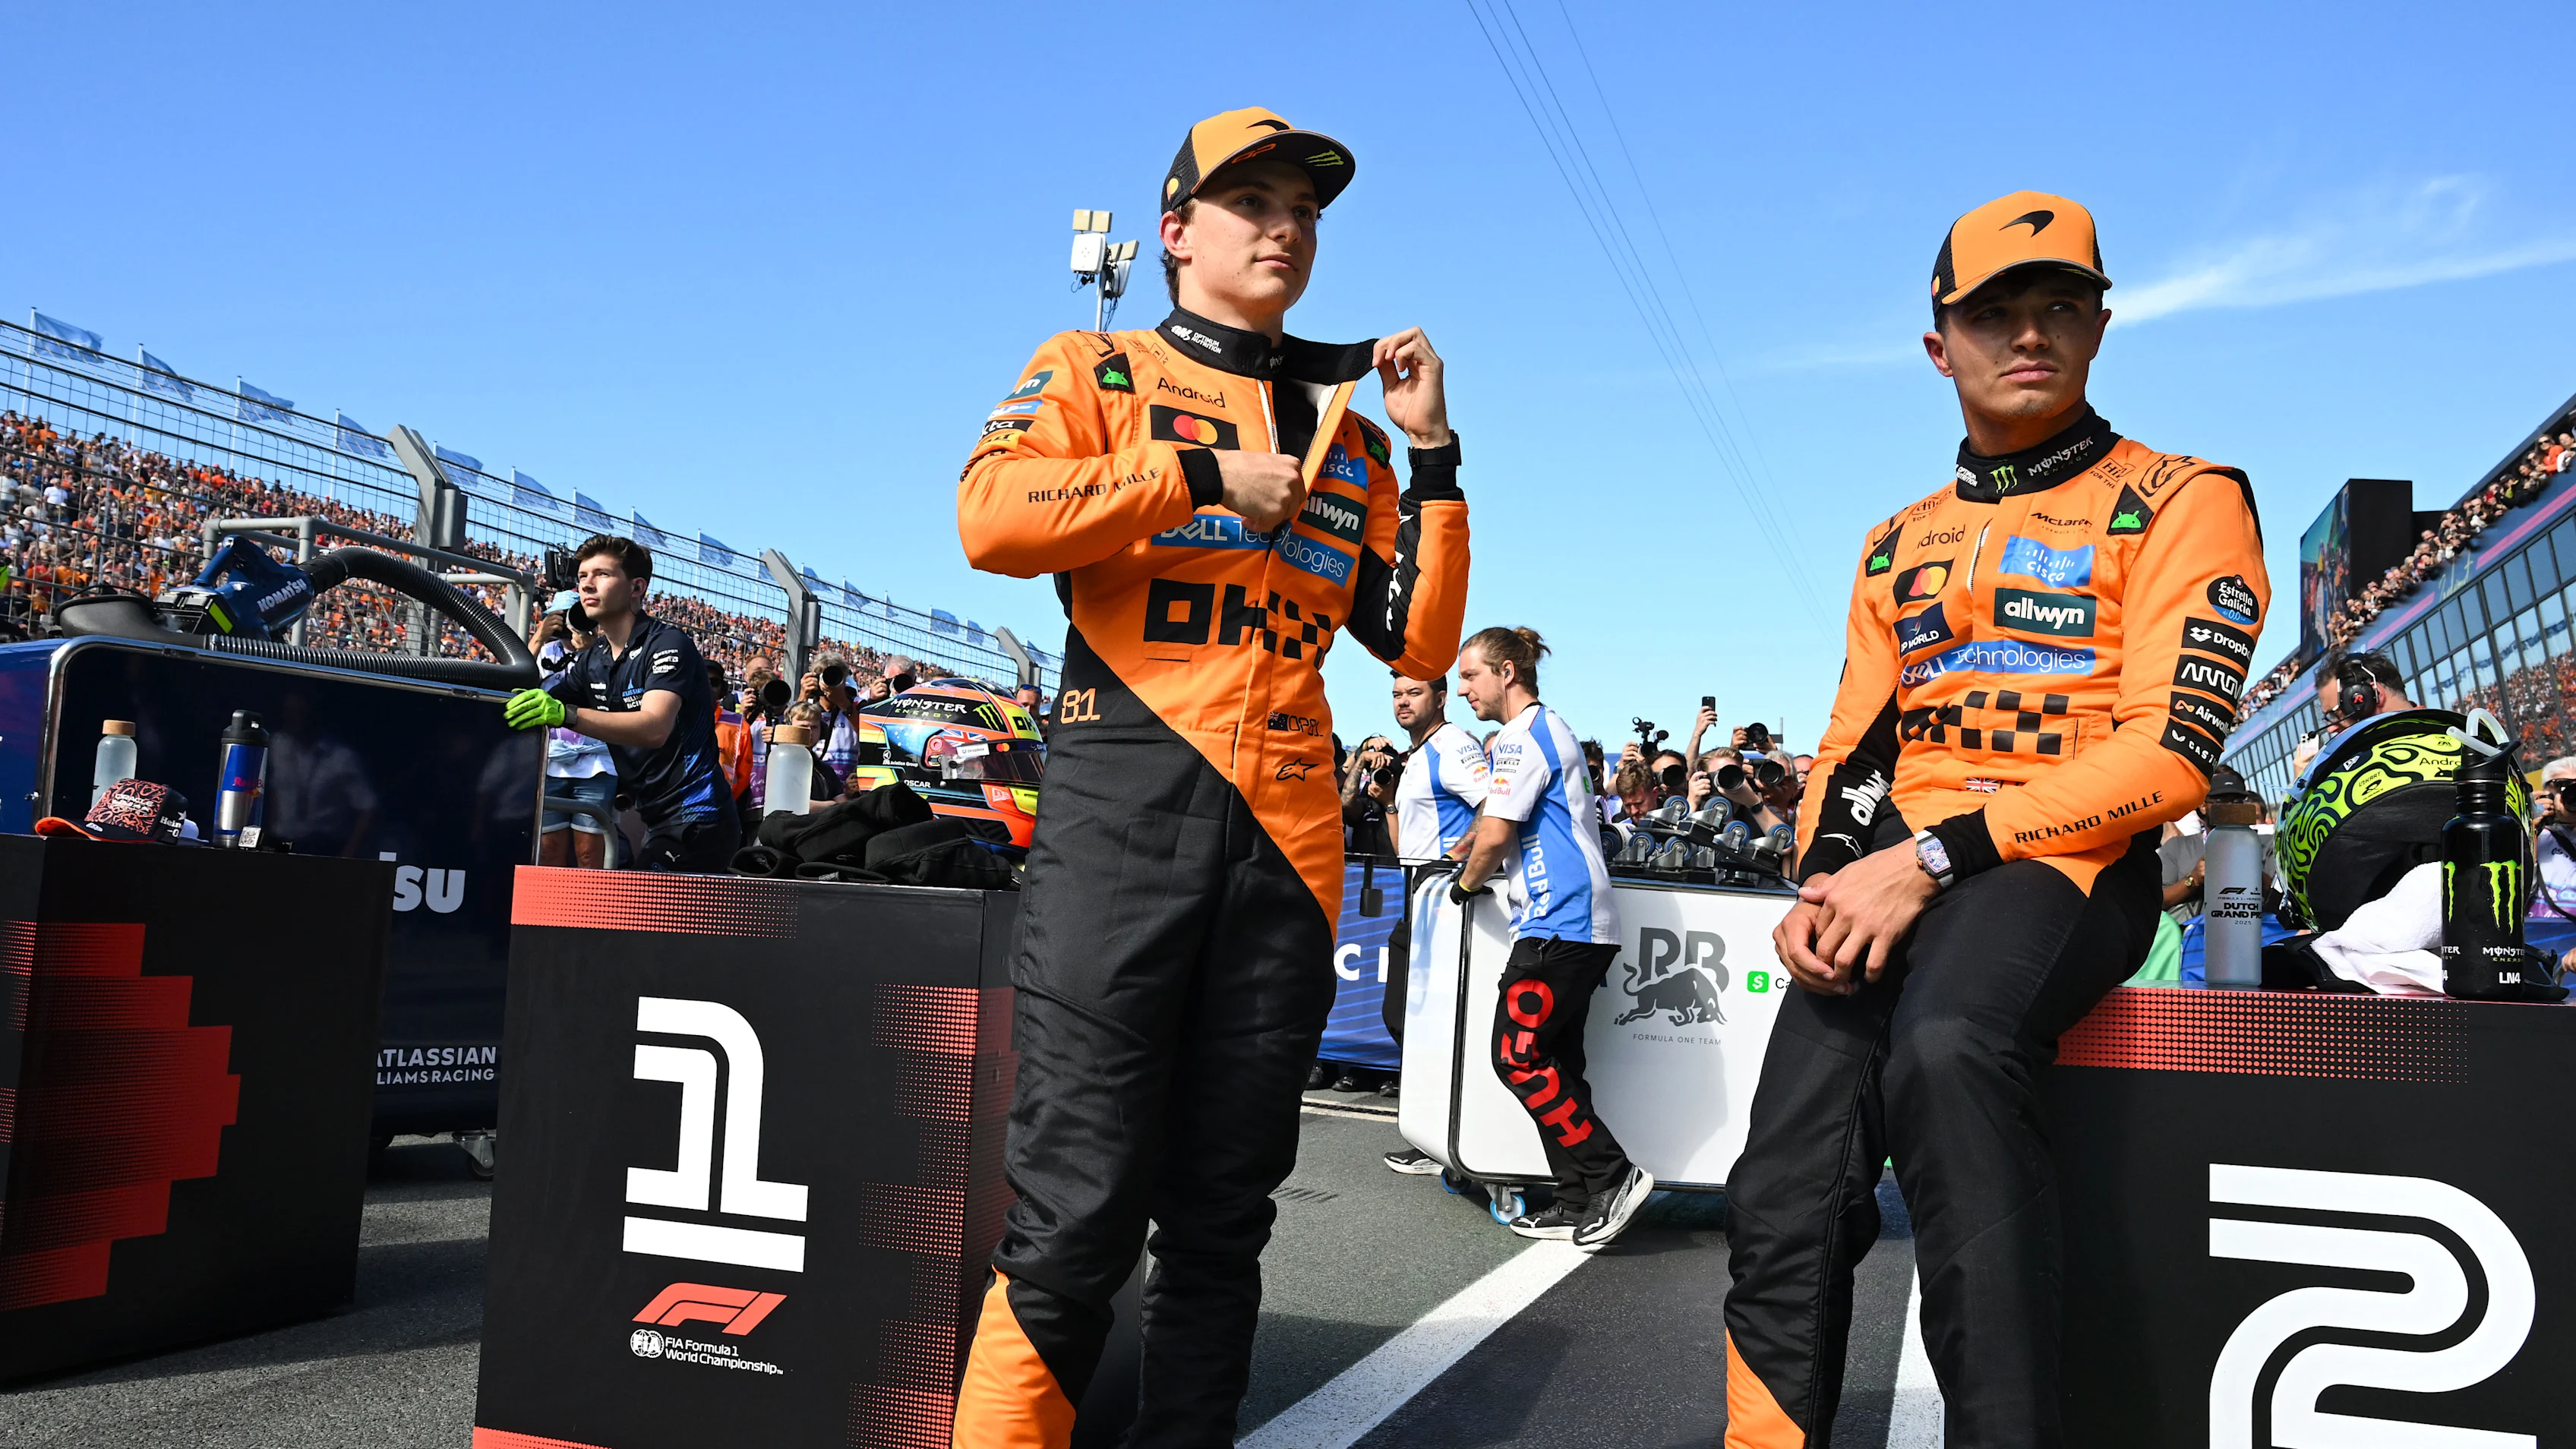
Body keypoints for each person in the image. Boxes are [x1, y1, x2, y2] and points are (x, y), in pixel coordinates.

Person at [950, 106, 1469, 1447]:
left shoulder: (1354, 436)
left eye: (1305, 210)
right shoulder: (1098, 364)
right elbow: (988, 518)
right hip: (1122, 811)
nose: (1286, 227)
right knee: (1073, 1215)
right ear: (1175, 231)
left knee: (1223, 1221)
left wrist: (1433, 454)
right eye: (1254, 203)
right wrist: (1197, 475)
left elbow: (1415, 644)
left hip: (1288, 846)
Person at [1724, 191, 2270, 1445]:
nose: (2030, 332)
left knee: (1950, 1049)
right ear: (1940, 345)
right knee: (1783, 1181)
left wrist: (1931, 858)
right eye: (1995, 312)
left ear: (2099, 326)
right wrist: (1826, 879)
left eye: (2061, 305)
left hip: (2066, 862)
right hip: (1892, 870)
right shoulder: (1894, 541)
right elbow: (1854, 744)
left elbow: (2171, 754)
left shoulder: (2183, 496)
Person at [1449, 627, 1653, 1249]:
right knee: (1554, 1062)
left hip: (1560, 921)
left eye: (1470, 676)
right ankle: (1576, 1196)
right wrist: (1469, 847)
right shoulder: (1539, 731)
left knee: (1516, 1056)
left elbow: (1496, 836)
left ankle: (1612, 1176)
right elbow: (1495, 823)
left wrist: (1464, 885)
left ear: (1507, 673)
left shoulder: (1521, 735)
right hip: (1569, 922)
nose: (1463, 691)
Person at [501, 535, 739, 873]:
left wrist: (565, 715)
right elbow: (536, 698)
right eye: (583, 576)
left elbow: (654, 728)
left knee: (640, 903)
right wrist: (537, 643)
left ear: (637, 587)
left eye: (602, 574)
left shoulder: (668, 643)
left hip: (698, 816)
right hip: (657, 817)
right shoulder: (594, 658)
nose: (587, 584)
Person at [1382, 670, 1491, 1173]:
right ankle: (1438, 1134)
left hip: (1444, 898)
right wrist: (1388, 805)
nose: (1403, 702)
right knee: (1405, 1018)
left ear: (1441, 698)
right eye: (1397, 694)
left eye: (1414, 692)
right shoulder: (1418, 754)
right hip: (1417, 896)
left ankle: (1450, 1137)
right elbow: (1407, 843)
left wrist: (1454, 862)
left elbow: (1494, 806)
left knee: (1427, 1021)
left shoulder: (1454, 746)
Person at [532, 614, 614, 868]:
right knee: (548, 850)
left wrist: (592, 650)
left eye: (574, 619)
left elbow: (613, 692)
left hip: (595, 763)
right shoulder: (543, 650)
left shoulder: (605, 652)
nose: (568, 628)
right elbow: (514, 678)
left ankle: (591, 896)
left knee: (589, 852)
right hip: (549, 761)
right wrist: (539, 637)